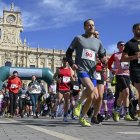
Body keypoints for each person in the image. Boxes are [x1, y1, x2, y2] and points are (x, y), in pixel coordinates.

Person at [66, 19, 106, 126]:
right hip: (82, 69)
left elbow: (102, 55)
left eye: (93, 25)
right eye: (89, 25)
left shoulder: (98, 42)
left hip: (92, 71)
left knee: (93, 95)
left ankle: (82, 117)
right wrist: (72, 64)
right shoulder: (78, 38)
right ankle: (79, 104)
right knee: (91, 89)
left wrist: (104, 60)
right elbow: (68, 53)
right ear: (84, 27)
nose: (91, 27)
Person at [108, 41, 133, 122]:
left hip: (127, 76)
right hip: (119, 75)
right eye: (121, 45)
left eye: (124, 45)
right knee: (127, 92)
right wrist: (112, 70)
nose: (123, 46)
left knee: (122, 95)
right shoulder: (115, 55)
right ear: (118, 46)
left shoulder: (128, 54)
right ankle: (126, 113)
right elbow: (109, 64)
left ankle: (116, 111)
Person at [121, 23, 140, 125]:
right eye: (138, 29)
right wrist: (134, 57)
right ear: (133, 30)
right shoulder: (129, 44)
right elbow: (123, 58)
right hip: (136, 70)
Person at [53, 57, 74, 122]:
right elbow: (54, 77)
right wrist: (57, 80)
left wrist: (71, 79)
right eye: (64, 61)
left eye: (67, 61)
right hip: (60, 87)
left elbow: (72, 79)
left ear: (68, 62)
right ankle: (54, 111)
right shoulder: (59, 69)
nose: (65, 62)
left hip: (67, 88)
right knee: (59, 100)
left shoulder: (70, 69)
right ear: (62, 62)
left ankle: (65, 116)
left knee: (66, 102)